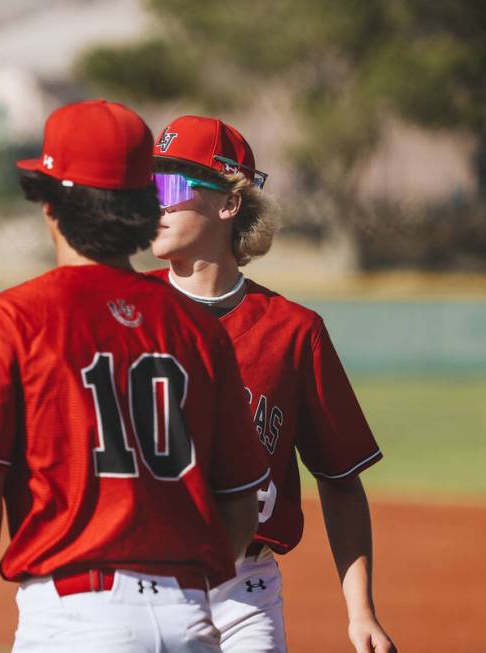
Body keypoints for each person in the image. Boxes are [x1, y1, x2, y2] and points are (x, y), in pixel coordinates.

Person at [0, 99, 268, 653]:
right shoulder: (198, 328)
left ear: (50, 206)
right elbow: (239, 502)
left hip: (76, 620)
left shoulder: (17, 317)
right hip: (190, 618)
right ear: (147, 208)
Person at [149, 115, 395, 653]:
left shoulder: (293, 330)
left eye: (170, 184)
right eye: (147, 185)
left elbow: (339, 478)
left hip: (246, 592)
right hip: (144, 584)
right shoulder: (123, 306)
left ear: (228, 203)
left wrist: (362, 613)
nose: (155, 202)